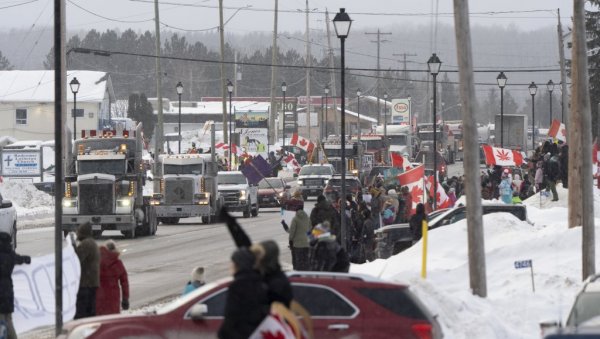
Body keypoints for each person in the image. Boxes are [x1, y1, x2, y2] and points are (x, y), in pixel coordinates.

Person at [218, 248, 269, 339]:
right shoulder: (261, 283)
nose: (231, 266)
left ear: (238, 265)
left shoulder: (237, 286)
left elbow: (231, 317)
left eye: (232, 263)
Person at [0, 232, 31, 339]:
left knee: (2, 322)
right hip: (8, 291)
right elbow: (24, 259)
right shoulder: (11, 255)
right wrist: (27, 259)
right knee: (8, 319)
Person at [251, 240, 293, 307]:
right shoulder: (272, 276)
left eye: (258, 254)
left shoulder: (275, 284)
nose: (255, 257)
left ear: (265, 257)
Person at [74, 222, 100, 319]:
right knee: (90, 312)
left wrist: (73, 247)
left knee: (82, 314)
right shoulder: (92, 243)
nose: (76, 234)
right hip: (91, 283)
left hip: (86, 284)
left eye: (78, 232)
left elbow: (76, 258)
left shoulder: (86, 244)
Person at [96, 240, 129, 315]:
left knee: (99, 320)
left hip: (98, 295)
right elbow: (124, 282)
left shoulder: (96, 262)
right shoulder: (117, 263)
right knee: (112, 319)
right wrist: (125, 298)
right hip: (113, 296)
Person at [286, 204, 310, 271]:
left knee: (298, 262)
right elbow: (311, 230)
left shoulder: (295, 219)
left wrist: (290, 241)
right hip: (307, 244)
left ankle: (298, 275)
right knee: (306, 261)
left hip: (297, 245)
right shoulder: (308, 218)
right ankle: (306, 274)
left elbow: (292, 232)